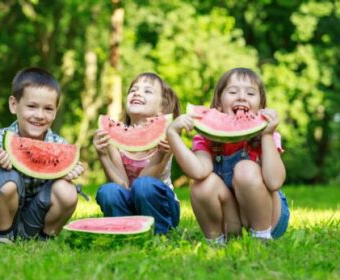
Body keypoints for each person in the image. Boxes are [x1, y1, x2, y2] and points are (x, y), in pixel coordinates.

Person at [167, 67, 290, 245]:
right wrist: (172, 134)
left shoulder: (265, 134)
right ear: (218, 104)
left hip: (270, 218)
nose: (241, 97)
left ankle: (262, 238)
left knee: (245, 168)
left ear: (261, 106)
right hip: (233, 220)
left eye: (250, 92)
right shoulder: (205, 137)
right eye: (233, 91)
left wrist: (268, 136)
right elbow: (199, 171)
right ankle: (216, 242)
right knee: (201, 185)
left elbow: (274, 182)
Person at [0, 67, 84, 244]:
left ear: (55, 111)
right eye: (31, 106)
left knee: (67, 190)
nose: (39, 115)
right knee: (5, 178)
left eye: (48, 109)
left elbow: (61, 191)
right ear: (14, 105)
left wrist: (68, 173)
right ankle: (2, 238)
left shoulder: (60, 145)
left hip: (33, 223)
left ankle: (44, 240)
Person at [93, 72, 181, 234]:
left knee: (144, 185)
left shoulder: (166, 136)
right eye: (133, 90)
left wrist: (160, 154)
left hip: (162, 207)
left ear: (162, 107)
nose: (137, 93)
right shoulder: (113, 136)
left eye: (148, 91)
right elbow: (123, 186)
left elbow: (142, 182)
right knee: (108, 191)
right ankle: (124, 232)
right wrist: (102, 155)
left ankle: (159, 234)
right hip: (129, 204)